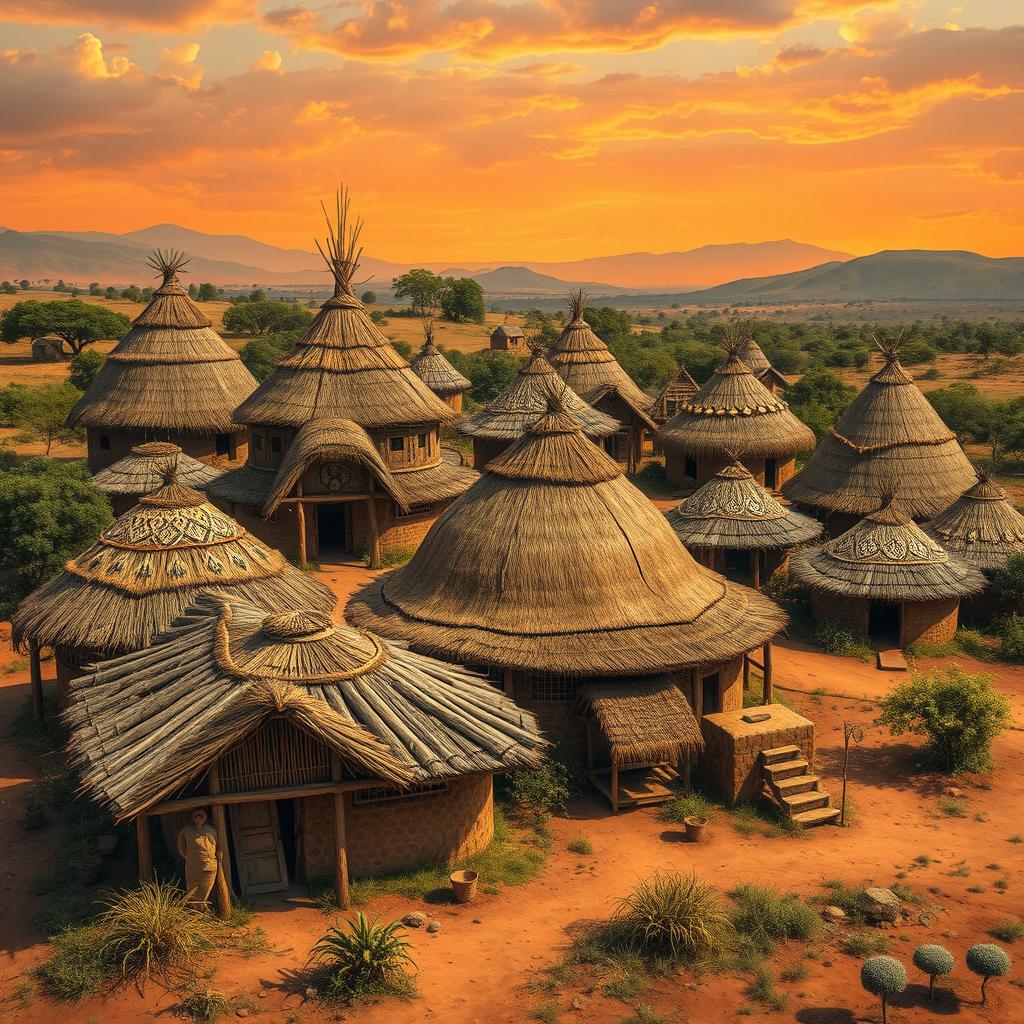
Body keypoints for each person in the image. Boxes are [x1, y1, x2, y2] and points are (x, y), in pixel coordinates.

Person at [176, 808, 220, 912]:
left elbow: (218, 845)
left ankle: (201, 910)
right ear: (193, 818)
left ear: (205, 818)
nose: (198, 819)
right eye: (196, 817)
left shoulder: (211, 830)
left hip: (210, 865)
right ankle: (197, 911)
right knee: (192, 888)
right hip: (193, 865)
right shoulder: (186, 830)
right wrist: (189, 857)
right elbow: (181, 846)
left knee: (206, 887)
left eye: (201, 817)